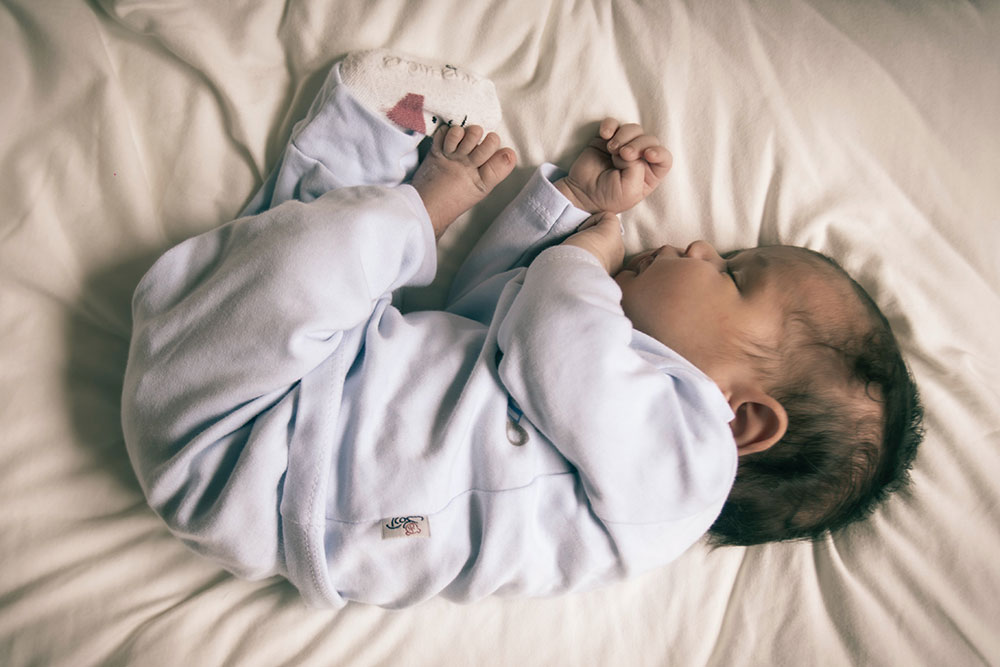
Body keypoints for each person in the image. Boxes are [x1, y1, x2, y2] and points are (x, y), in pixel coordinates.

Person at [121, 50, 922, 609]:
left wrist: (589, 249)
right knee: (321, 277)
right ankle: (365, 171)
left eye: (735, 273)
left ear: (743, 415)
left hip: (250, 471)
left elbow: (553, 338)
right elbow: (481, 320)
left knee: (310, 267)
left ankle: (407, 190)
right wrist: (574, 199)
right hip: (304, 400)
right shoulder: (601, 419)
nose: (701, 246)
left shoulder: (684, 474)